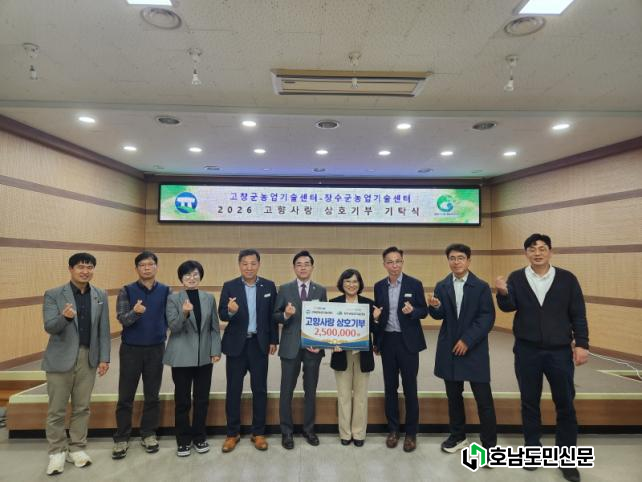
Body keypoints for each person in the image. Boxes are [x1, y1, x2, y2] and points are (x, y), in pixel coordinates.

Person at [495, 233, 589, 482]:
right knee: (529, 402)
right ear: (526, 253)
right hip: (527, 351)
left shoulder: (567, 279)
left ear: (550, 252)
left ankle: (567, 460)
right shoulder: (517, 277)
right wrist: (502, 293)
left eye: (542, 248)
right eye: (532, 249)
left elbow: (578, 313)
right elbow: (508, 306)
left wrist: (582, 344)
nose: (537, 253)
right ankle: (533, 452)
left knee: (565, 404)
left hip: (559, 352)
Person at [42, 252, 110, 476]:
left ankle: (77, 447)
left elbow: (103, 329)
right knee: (57, 409)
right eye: (81, 267)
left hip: (88, 357)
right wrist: (65, 318)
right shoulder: (53, 294)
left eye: (89, 267)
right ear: (71, 269)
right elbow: (50, 326)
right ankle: (56, 451)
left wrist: (104, 358)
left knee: (82, 407)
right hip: (60, 359)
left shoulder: (100, 295)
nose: (85, 271)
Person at [428, 244, 497, 455]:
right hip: (450, 348)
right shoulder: (442, 285)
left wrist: (467, 340)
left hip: (474, 349)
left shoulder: (481, 286)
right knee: (454, 397)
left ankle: (489, 445)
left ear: (468, 260)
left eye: (460, 257)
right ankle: (458, 436)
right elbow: (439, 316)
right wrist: (435, 307)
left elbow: (487, 317)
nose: (456, 262)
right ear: (448, 261)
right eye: (452, 258)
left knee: (483, 399)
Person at [218, 249, 278, 452]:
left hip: (259, 345)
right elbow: (222, 314)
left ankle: (258, 433)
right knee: (233, 389)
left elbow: (272, 316)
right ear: (239, 265)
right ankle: (232, 433)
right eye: (245, 263)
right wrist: (230, 311)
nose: (249, 267)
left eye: (253, 263)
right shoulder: (230, 286)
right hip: (236, 345)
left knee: (259, 389)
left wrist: (273, 340)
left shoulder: (268, 286)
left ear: (259, 264)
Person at [112, 251, 170, 459]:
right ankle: (121, 437)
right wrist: (135, 312)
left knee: (152, 395)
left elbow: (170, 318)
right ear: (136, 268)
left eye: (150, 264)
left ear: (156, 267)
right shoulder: (126, 290)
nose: (147, 268)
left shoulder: (166, 290)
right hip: (131, 350)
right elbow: (123, 319)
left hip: (156, 348)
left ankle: (148, 434)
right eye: (142, 265)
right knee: (125, 396)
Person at [373, 246, 428, 452]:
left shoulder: (414, 284)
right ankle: (393, 430)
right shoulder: (379, 286)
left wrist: (413, 311)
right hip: (388, 341)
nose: (394, 265)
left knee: (410, 388)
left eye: (398, 261)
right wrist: (377, 342)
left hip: (408, 343)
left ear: (402, 262)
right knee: (390, 388)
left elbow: (424, 311)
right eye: (390, 262)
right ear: (384, 264)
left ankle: (411, 434)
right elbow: (379, 315)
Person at [165, 260, 221, 457]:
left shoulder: (208, 298)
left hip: (204, 356)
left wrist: (215, 350)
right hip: (181, 356)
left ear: (200, 277)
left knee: (202, 399)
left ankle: (199, 436)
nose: (191, 278)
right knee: (182, 400)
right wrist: (185, 313)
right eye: (187, 275)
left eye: (195, 274)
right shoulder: (173, 299)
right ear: (181, 278)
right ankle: (182, 439)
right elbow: (173, 327)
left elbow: (214, 327)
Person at [273, 250, 327, 449]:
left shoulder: (320, 290)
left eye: (306, 264)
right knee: (286, 391)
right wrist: (286, 315)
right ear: (294, 267)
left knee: (310, 391)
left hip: (313, 348)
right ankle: (286, 432)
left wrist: (320, 342)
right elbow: (275, 315)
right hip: (290, 346)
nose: (303, 267)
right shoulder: (284, 289)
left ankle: (309, 430)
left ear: (312, 267)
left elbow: (325, 318)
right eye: (299, 264)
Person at [330, 269, 381, 447]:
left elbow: (376, 331)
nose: (351, 285)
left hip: (362, 355)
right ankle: (345, 433)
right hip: (341, 355)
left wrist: (376, 319)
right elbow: (328, 330)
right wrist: (331, 343)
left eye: (355, 282)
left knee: (360, 397)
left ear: (359, 284)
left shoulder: (368, 304)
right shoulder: (334, 304)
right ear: (342, 284)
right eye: (348, 281)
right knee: (343, 396)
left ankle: (359, 433)